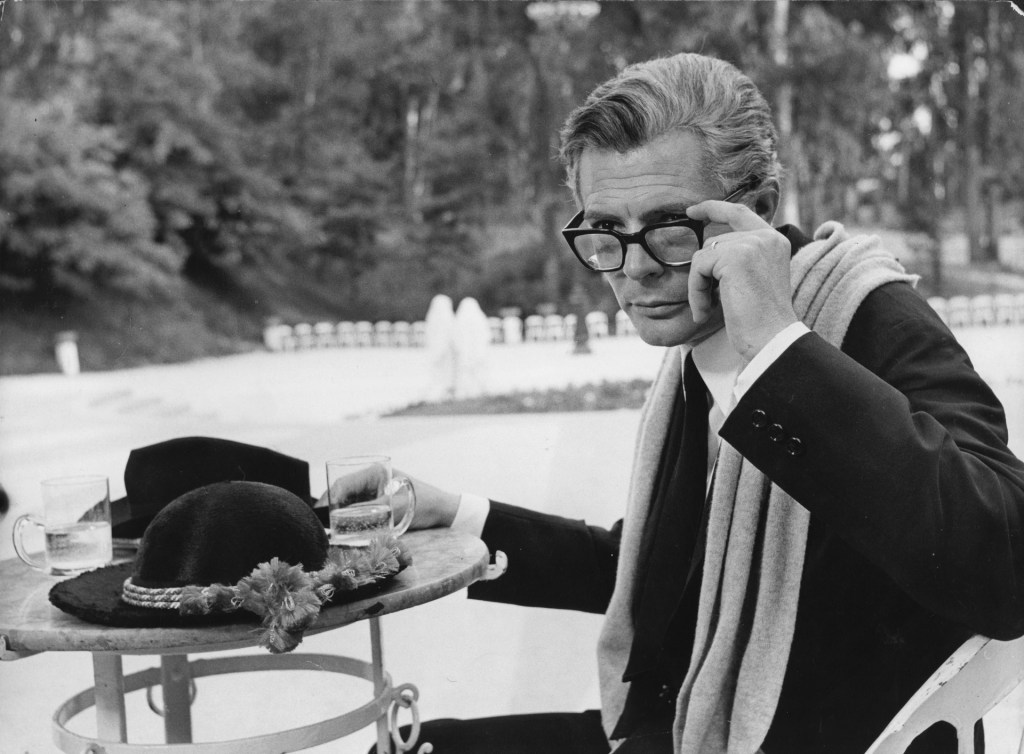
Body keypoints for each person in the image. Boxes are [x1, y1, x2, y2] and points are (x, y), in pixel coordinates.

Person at [341, 52, 1024, 753]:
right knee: (406, 747)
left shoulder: (867, 317)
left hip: (793, 737)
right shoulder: (699, 341)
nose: (635, 268)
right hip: (693, 725)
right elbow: (666, 573)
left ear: (758, 212)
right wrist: (457, 515)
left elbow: (1008, 562)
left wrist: (780, 349)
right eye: (606, 231)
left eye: (671, 228)